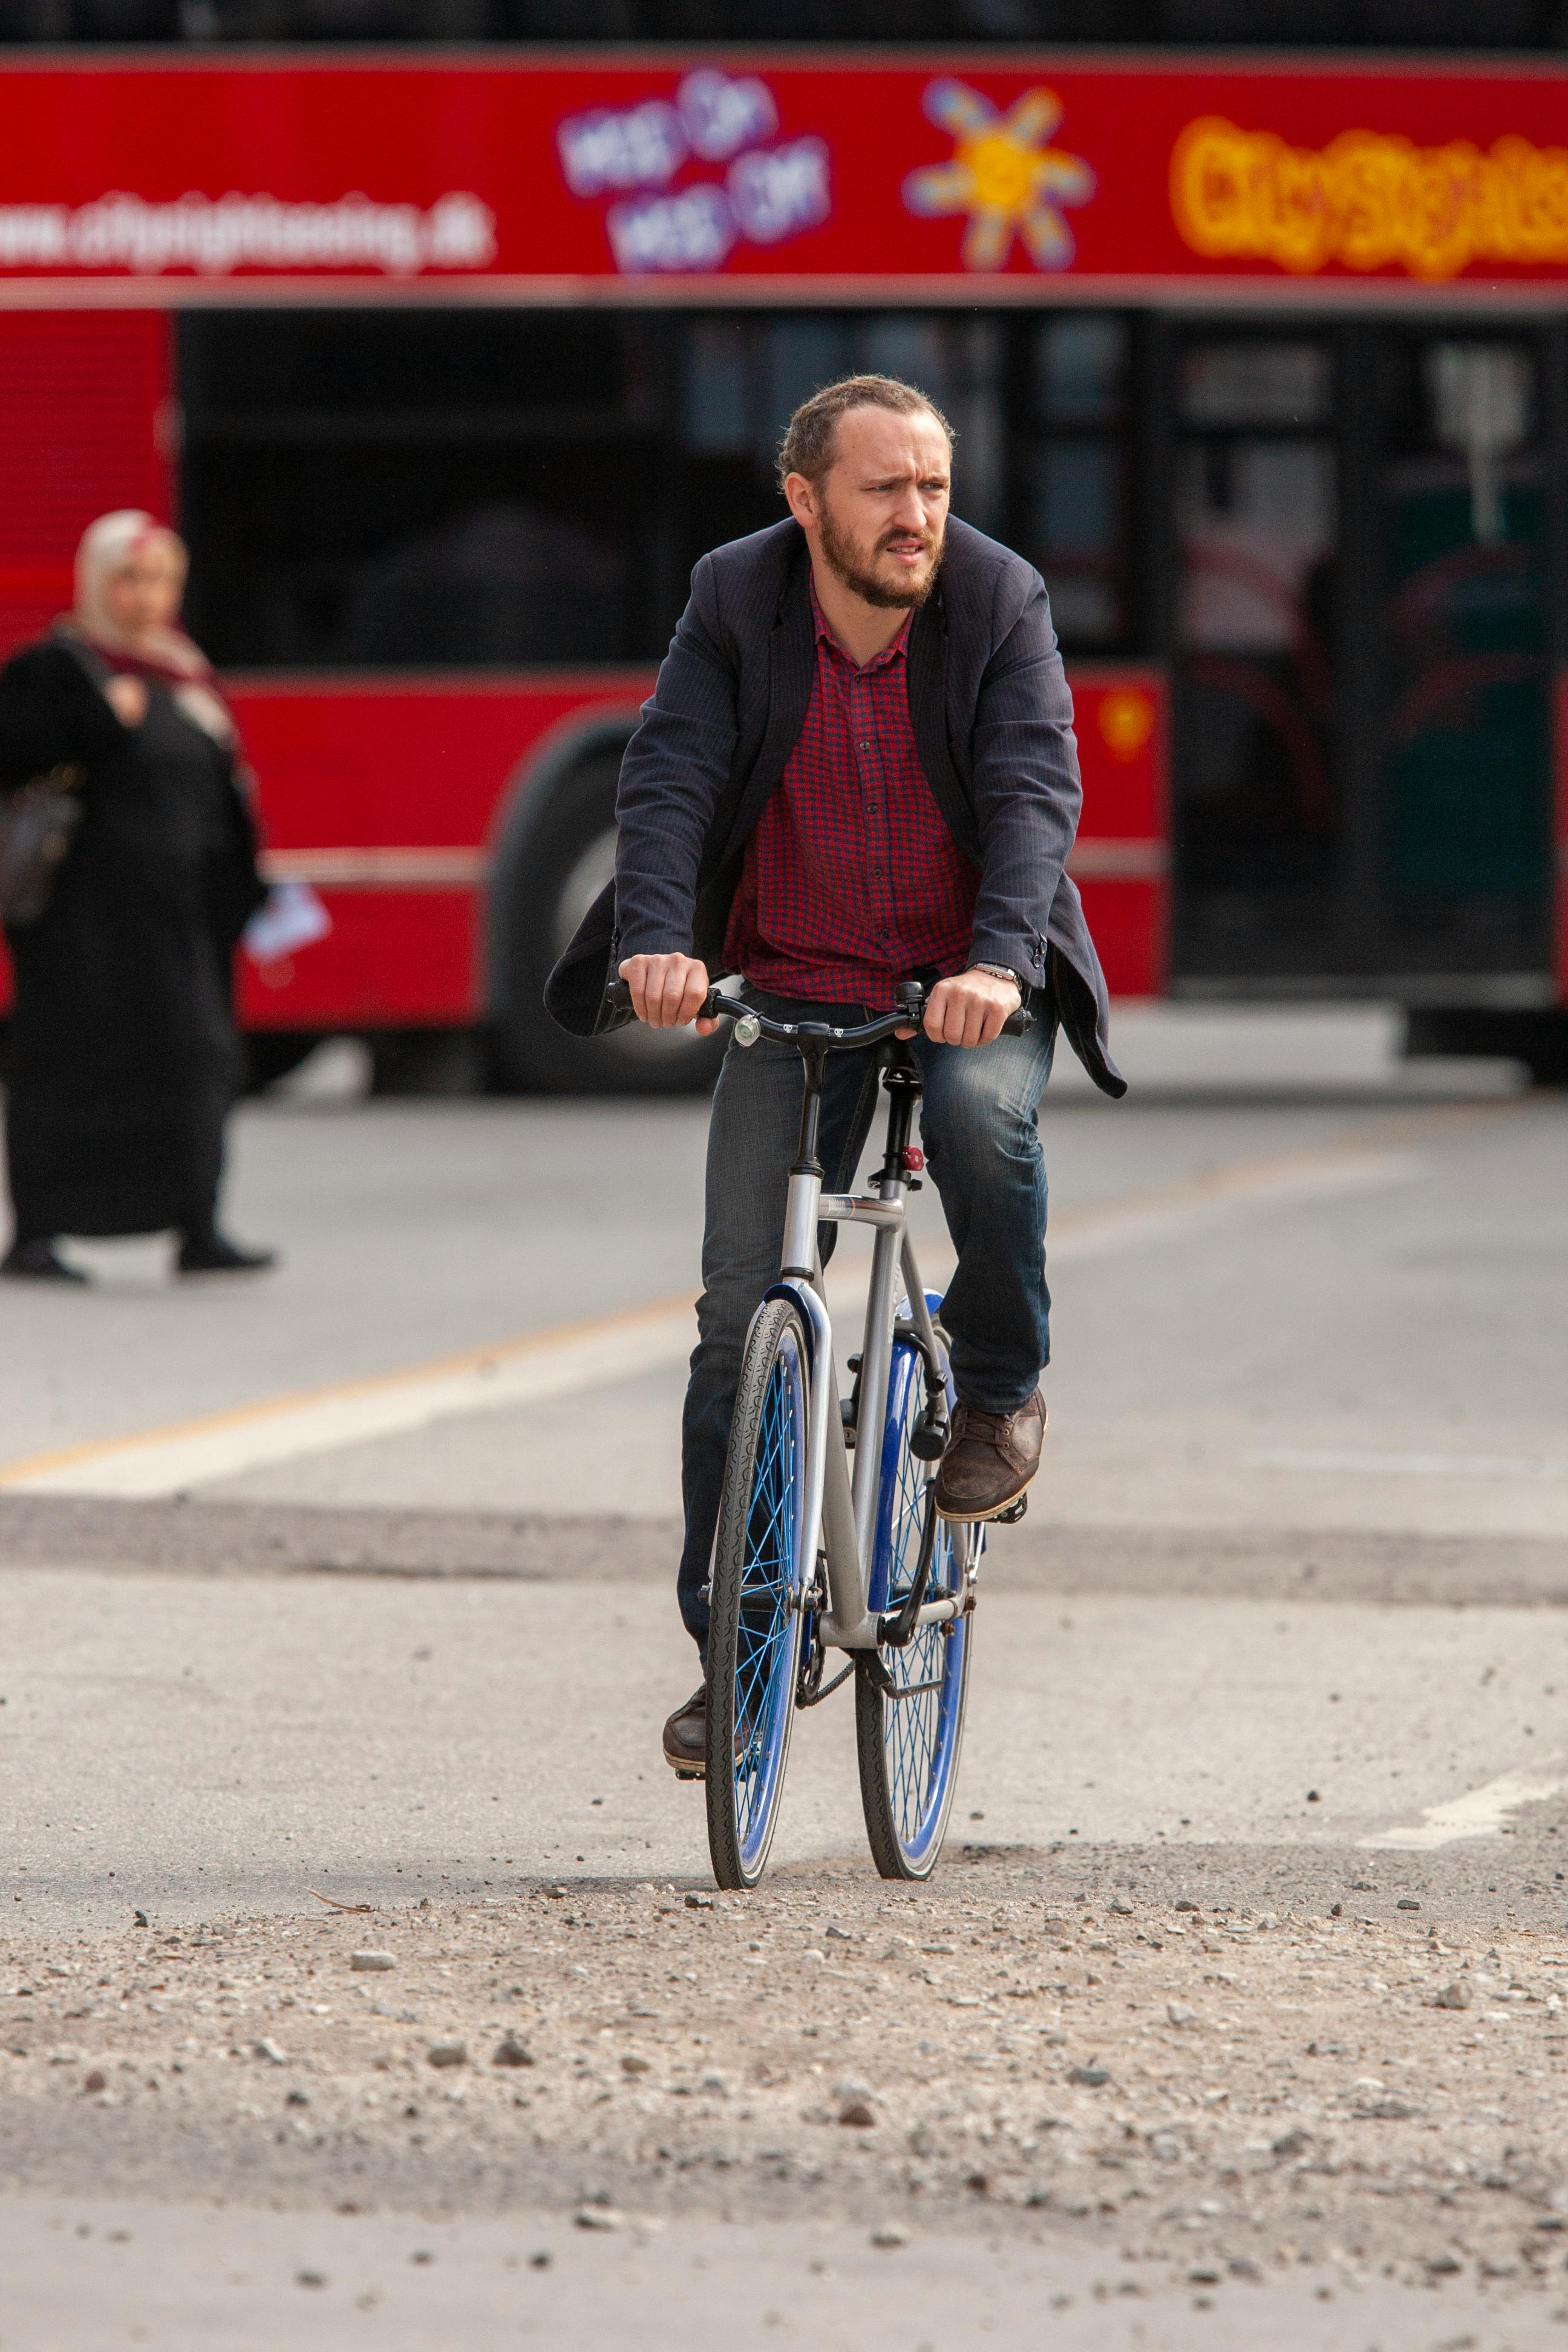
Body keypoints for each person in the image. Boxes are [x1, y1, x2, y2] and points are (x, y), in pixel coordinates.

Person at [545, 374, 1124, 1774]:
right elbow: (670, 775)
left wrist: (997, 964)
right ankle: (732, 1660)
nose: (918, 514)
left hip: (963, 980)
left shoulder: (998, 600)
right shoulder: (736, 598)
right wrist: (662, 943)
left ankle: (993, 1384)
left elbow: (1035, 786)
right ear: (805, 500)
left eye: (933, 484)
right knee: (738, 1320)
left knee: (987, 1125)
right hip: (797, 977)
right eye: (886, 488)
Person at [0, 511, 275, 1282]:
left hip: (179, 926)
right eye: (129, 579)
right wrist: (99, 717)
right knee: (66, 1073)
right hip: (79, 930)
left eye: (159, 580)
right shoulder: (60, 669)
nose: (144, 597)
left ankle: (197, 1224)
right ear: (96, 582)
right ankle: (37, 1234)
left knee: (197, 1064)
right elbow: (17, 755)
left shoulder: (186, 675)